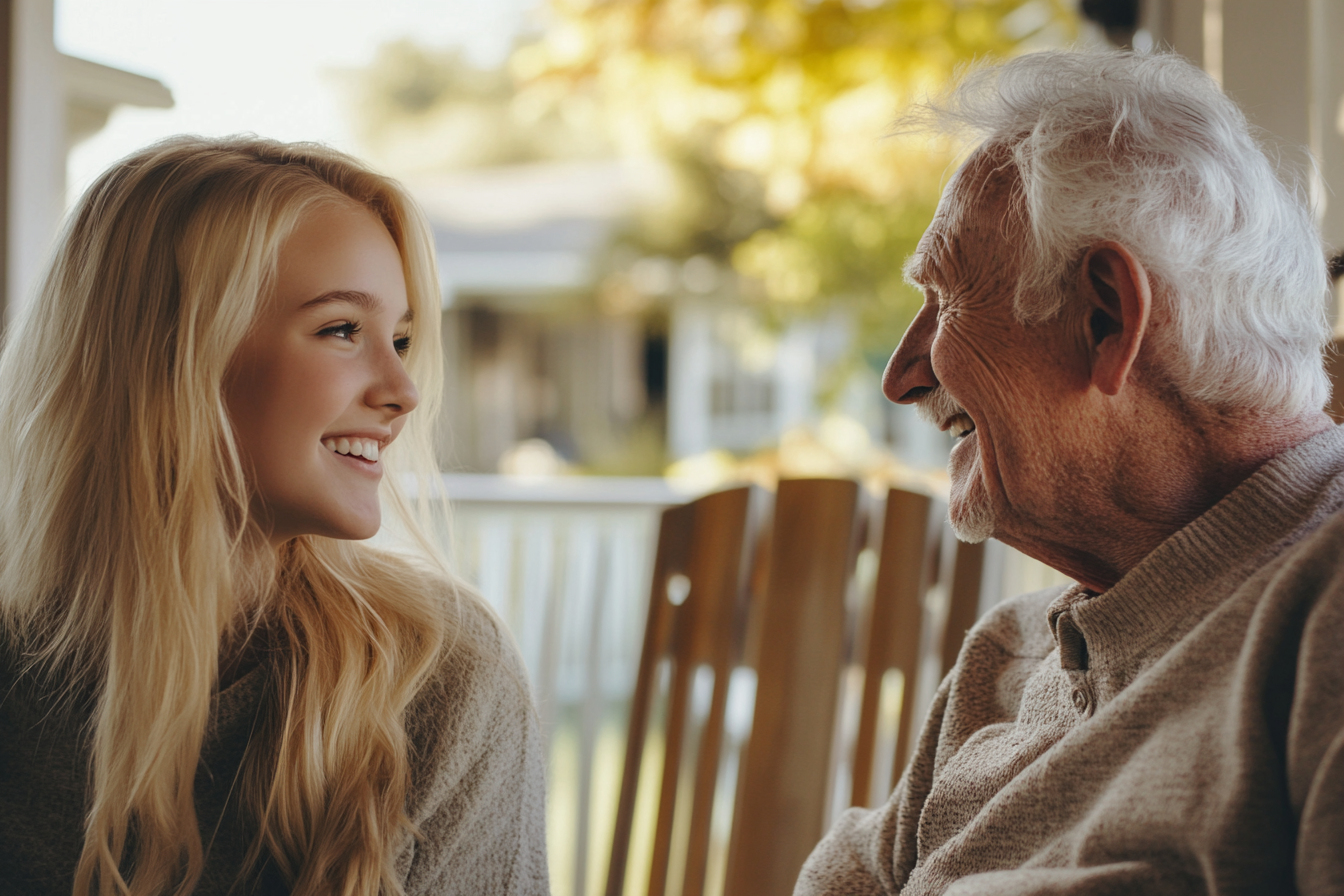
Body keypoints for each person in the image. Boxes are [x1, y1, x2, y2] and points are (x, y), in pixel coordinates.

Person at [796, 50, 1344, 895]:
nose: (901, 374)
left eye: (943, 300)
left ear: (1106, 315)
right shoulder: (1007, 657)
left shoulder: (1322, 615)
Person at [0, 136, 550, 896]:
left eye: (400, 340)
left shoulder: (441, 676)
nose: (403, 390)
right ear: (170, 357)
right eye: (341, 331)